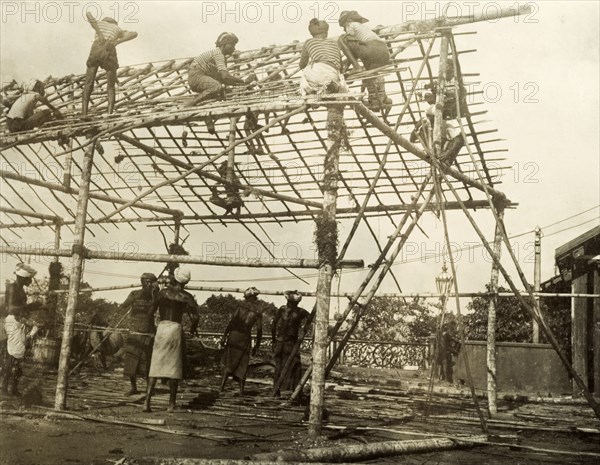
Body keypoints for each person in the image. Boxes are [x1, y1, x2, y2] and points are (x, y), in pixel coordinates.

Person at [143, 267, 199, 412]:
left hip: (162, 328)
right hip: (175, 329)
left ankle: (146, 402)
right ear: (186, 282)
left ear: (174, 278)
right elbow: (195, 317)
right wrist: (193, 330)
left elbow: (150, 312)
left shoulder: (163, 292)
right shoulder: (186, 296)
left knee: (155, 366)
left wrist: (153, 328)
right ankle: (171, 404)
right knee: (174, 367)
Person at [82, 12, 138, 116]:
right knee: (111, 86)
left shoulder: (99, 23)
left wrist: (99, 34)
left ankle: (84, 114)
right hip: (110, 49)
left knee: (89, 82)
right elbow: (134, 33)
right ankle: (109, 114)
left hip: (97, 47)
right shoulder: (118, 29)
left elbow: (89, 14)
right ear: (114, 23)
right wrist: (118, 42)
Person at [338, 10, 392, 111]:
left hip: (372, 49)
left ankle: (357, 67)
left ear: (345, 22)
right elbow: (355, 51)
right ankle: (375, 101)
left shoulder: (350, 24)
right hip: (384, 54)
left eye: (343, 27)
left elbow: (349, 43)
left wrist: (350, 66)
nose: (344, 29)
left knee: (341, 39)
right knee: (369, 75)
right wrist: (347, 65)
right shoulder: (362, 28)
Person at [187, 32, 257, 107]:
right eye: (232, 45)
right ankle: (191, 104)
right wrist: (243, 81)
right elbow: (225, 76)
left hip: (199, 78)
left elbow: (224, 79)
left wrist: (243, 84)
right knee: (216, 86)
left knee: (221, 89)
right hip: (196, 77)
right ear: (224, 44)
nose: (234, 48)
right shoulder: (218, 54)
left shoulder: (221, 57)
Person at [1, 263, 38, 397]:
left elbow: (19, 308)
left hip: (18, 322)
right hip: (13, 321)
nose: (30, 281)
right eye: (29, 279)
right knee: (12, 356)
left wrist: (32, 307)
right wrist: (32, 306)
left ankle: (12, 388)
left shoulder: (20, 289)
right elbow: (11, 309)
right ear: (23, 278)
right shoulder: (13, 288)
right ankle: (4, 388)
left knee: (17, 357)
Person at [120, 273, 158, 395]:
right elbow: (124, 305)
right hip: (134, 329)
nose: (149, 284)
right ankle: (133, 388)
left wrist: (153, 294)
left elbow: (154, 309)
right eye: (147, 282)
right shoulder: (134, 294)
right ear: (143, 282)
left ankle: (149, 388)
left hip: (148, 330)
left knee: (148, 359)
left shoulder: (155, 295)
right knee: (131, 357)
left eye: (151, 282)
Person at [220, 287, 263, 395]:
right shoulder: (258, 311)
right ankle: (241, 391)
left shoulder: (240, 307)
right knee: (243, 362)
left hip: (234, 335)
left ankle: (221, 388)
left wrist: (225, 336)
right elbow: (259, 330)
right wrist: (257, 345)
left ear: (246, 297)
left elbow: (232, 322)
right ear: (255, 297)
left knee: (229, 362)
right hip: (245, 337)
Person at [271, 290, 310, 398]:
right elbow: (273, 324)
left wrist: (304, 330)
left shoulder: (298, 311)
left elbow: (311, 319)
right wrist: (274, 340)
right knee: (284, 366)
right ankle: (280, 391)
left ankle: (293, 392)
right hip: (284, 342)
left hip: (288, 342)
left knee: (293, 365)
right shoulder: (287, 310)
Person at [299, 19, 349, 97]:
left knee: (305, 73)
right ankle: (330, 86)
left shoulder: (308, 42)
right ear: (326, 33)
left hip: (315, 74)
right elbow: (340, 65)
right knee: (335, 80)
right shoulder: (334, 43)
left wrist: (303, 67)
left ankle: (311, 91)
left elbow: (302, 63)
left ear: (312, 34)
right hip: (333, 73)